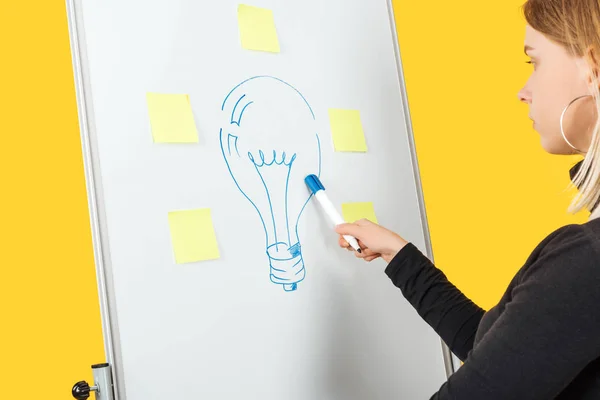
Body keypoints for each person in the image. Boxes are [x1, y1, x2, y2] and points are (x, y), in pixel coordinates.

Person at [335, 1, 600, 398]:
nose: (523, 92)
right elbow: (509, 354)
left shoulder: (586, 261)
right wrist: (402, 257)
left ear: (592, 66)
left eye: (535, 62)